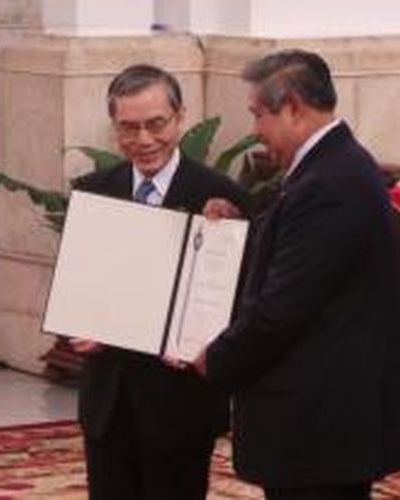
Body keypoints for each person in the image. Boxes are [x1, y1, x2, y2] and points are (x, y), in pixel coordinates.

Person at [194, 49, 400, 500]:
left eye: (258, 115)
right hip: (323, 420)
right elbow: (300, 257)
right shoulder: (333, 166)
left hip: (322, 422)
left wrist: (217, 356)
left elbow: (283, 308)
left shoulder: (330, 182)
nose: (254, 130)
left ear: (293, 108)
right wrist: (241, 224)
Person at [69, 64, 249, 500]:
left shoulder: (221, 199)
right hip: (108, 401)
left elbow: (240, 295)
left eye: (156, 124)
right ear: (114, 126)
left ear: (180, 117)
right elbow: (81, 285)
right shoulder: (93, 191)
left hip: (180, 402)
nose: (144, 140)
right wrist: (79, 324)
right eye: (129, 128)